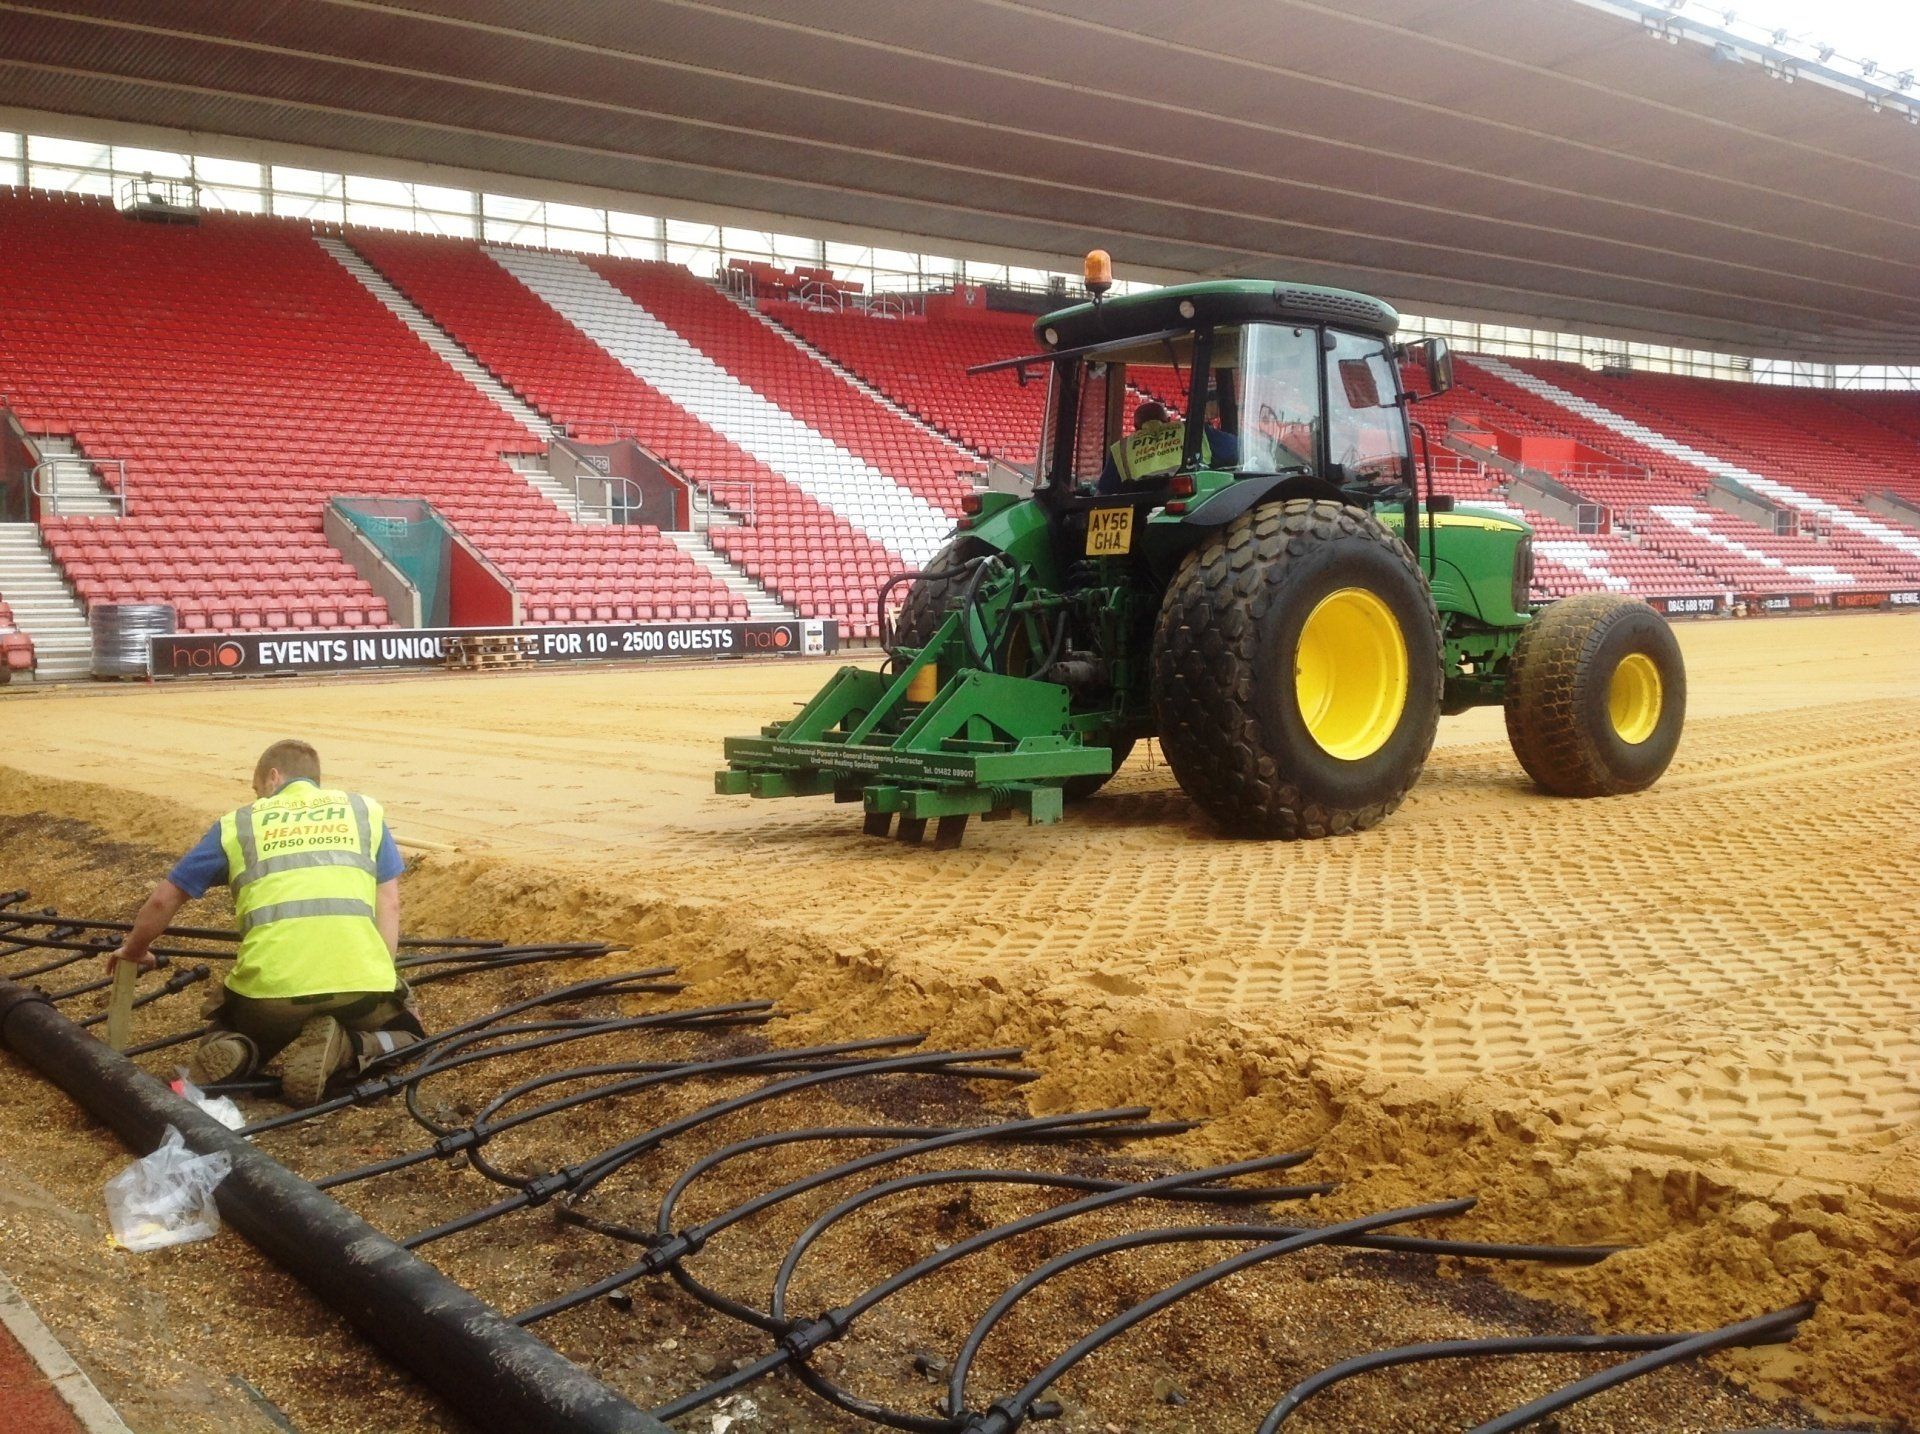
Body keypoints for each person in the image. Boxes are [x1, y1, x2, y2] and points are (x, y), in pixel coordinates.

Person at [109, 739, 421, 1105]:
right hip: (358, 990)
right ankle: (350, 1048)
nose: (258, 798)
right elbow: (390, 903)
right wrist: (383, 979)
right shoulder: (363, 812)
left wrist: (135, 949)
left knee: (236, 1025)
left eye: (257, 790)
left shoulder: (237, 824)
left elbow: (165, 898)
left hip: (271, 995)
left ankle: (240, 1049)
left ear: (273, 777)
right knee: (411, 1036)